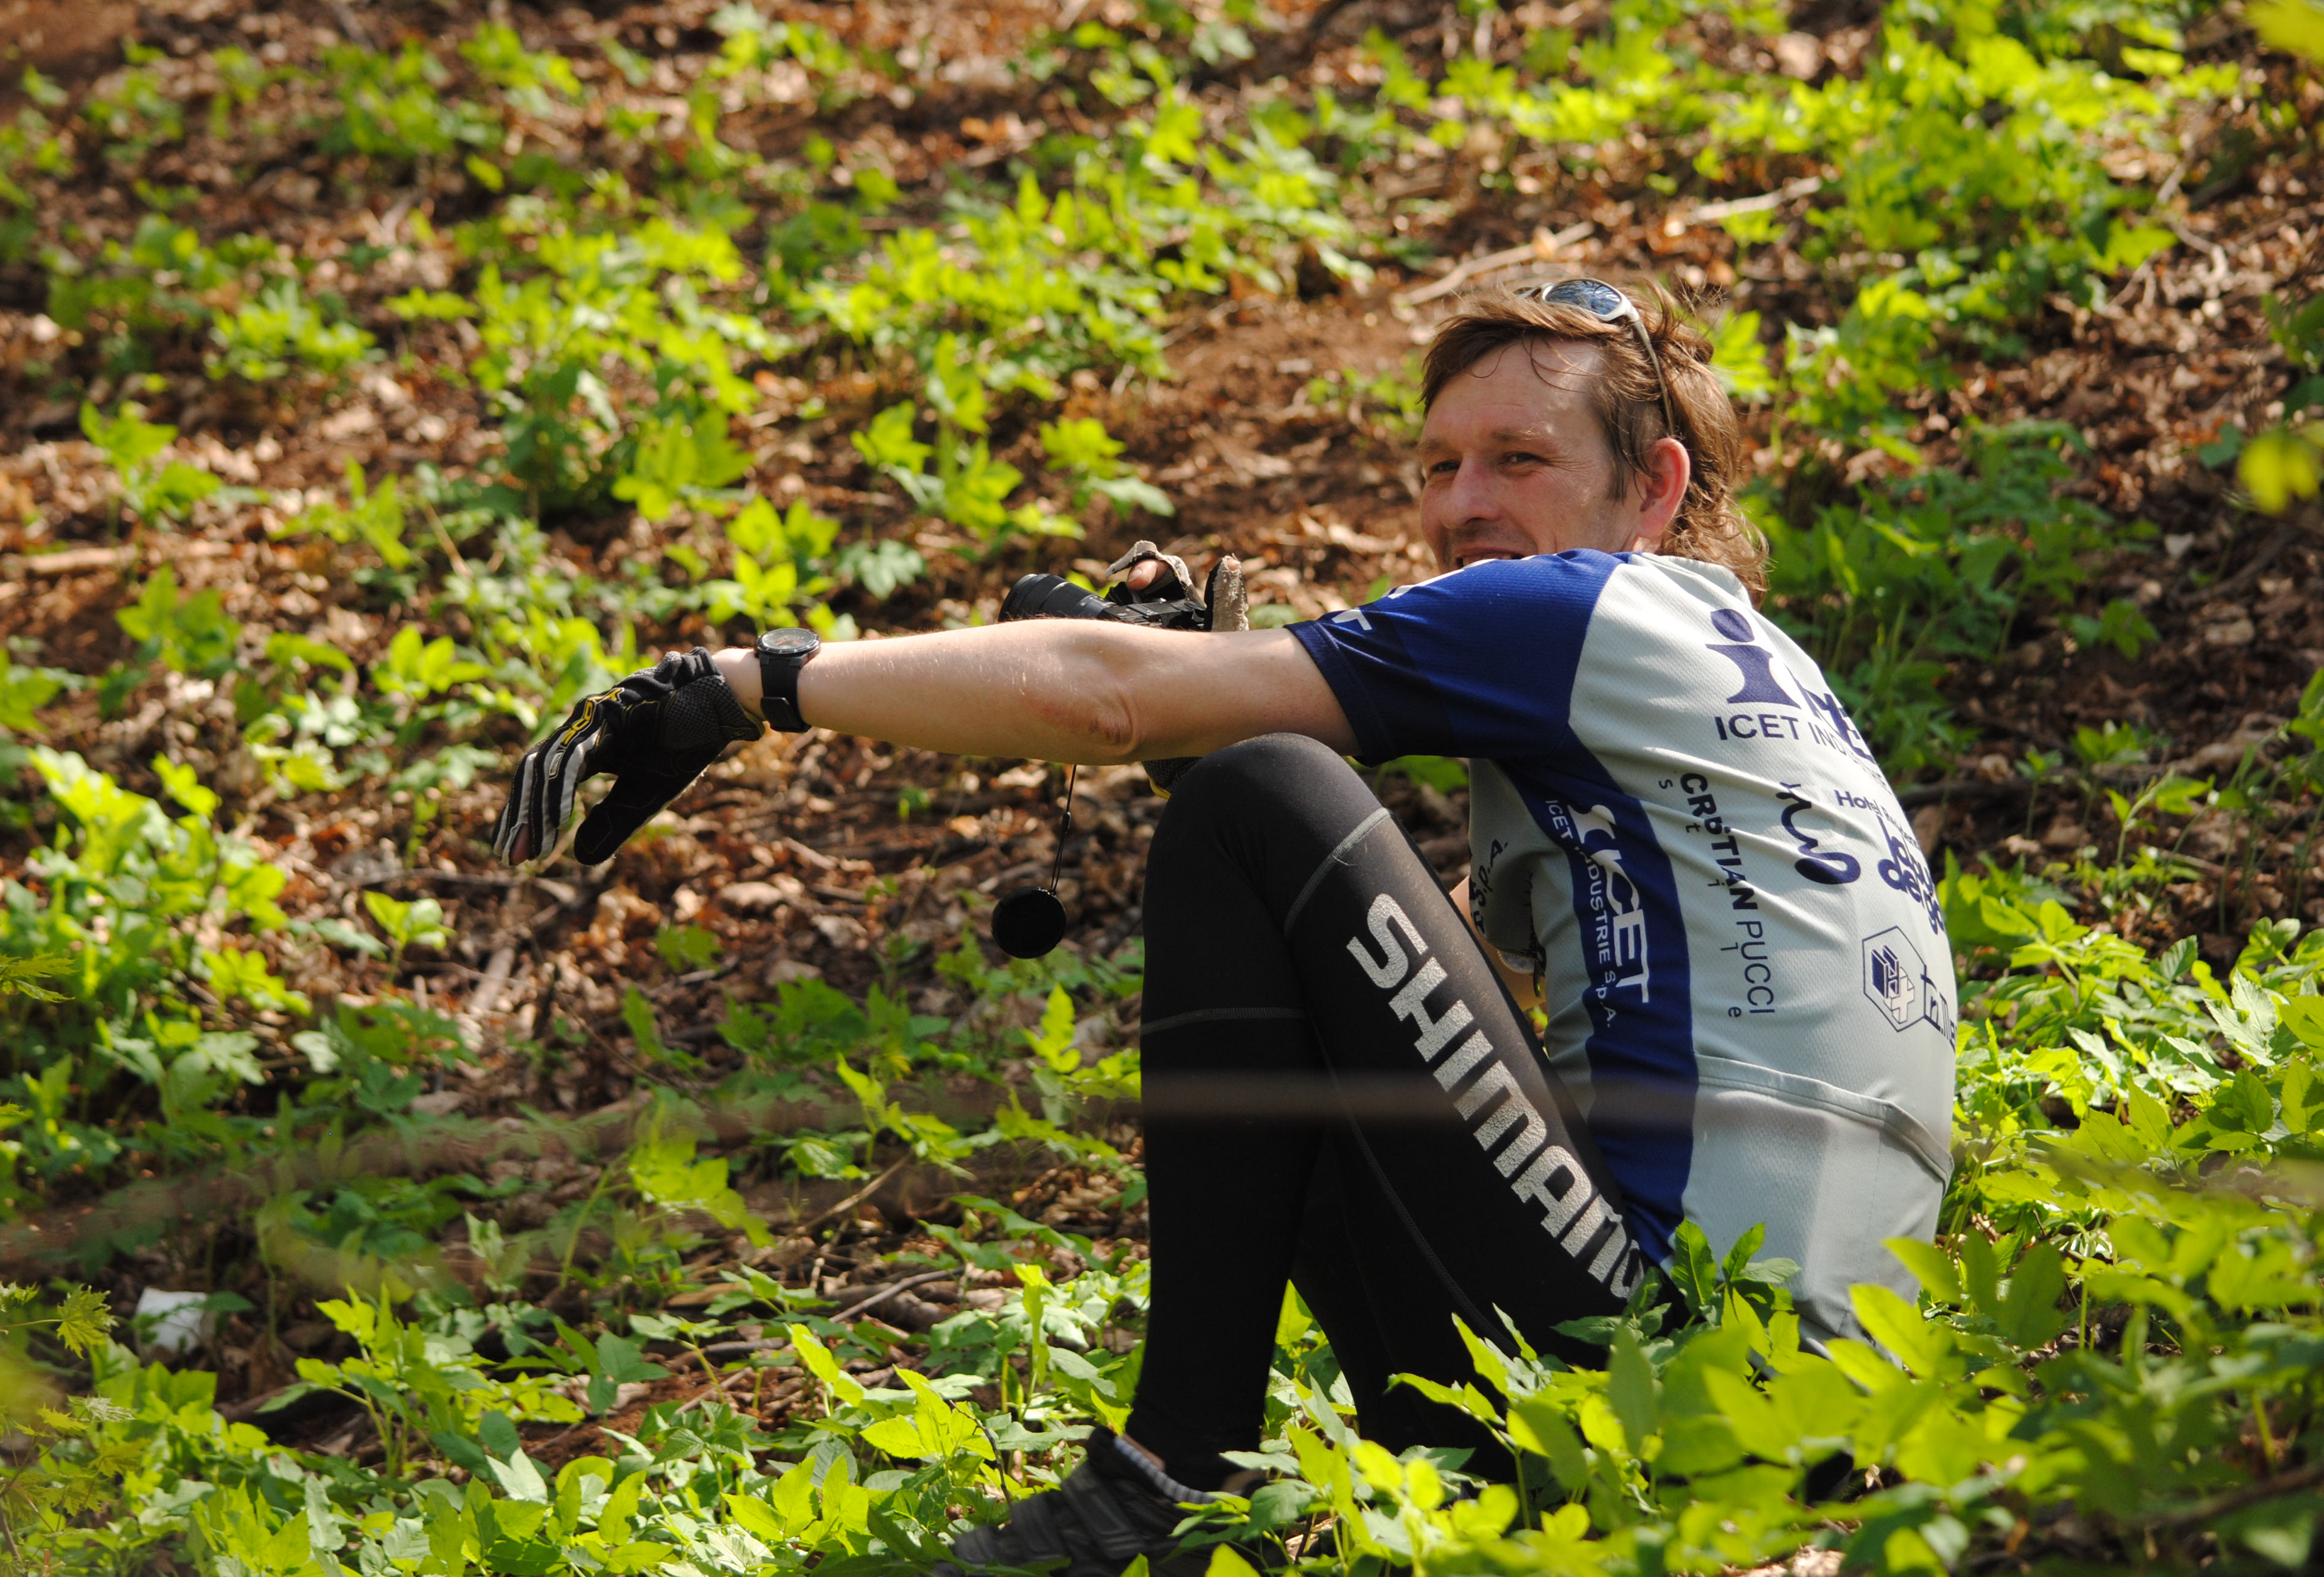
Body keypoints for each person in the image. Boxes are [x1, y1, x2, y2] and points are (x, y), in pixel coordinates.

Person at [491, 280, 1957, 1576]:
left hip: (1672, 1371)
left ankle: (1172, 1471)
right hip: (1786, 1423)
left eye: (1519, 459)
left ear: (1652, 491)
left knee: (1259, 793)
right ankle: (1305, 1484)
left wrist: (746, 687)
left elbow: (1107, 702)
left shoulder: (1583, 615)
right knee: (1253, 822)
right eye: (1438, 466)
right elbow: (1405, 1017)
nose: (1462, 503)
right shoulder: (1729, 675)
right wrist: (1195, 740)